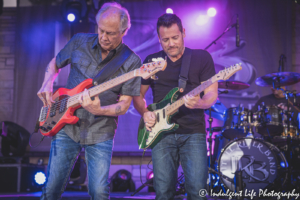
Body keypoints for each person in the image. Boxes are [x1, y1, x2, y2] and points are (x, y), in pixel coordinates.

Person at [37, 2, 141, 200]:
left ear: (124, 31)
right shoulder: (79, 41)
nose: (103, 37)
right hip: (65, 126)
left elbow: (124, 105)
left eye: (110, 33)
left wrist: (99, 109)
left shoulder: (132, 62)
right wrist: (47, 83)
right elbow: (54, 63)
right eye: (101, 30)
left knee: (99, 192)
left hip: (100, 131)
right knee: (51, 190)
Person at [133, 14, 218, 200]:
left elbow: (211, 94)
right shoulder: (152, 61)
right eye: (165, 39)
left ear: (183, 33)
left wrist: (200, 103)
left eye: (175, 37)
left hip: (193, 132)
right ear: (159, 38)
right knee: (163, 193)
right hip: (160, 133)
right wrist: (145, 112)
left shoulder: (201, 57)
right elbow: (137, 96)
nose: (171, 43)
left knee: (197, 191)